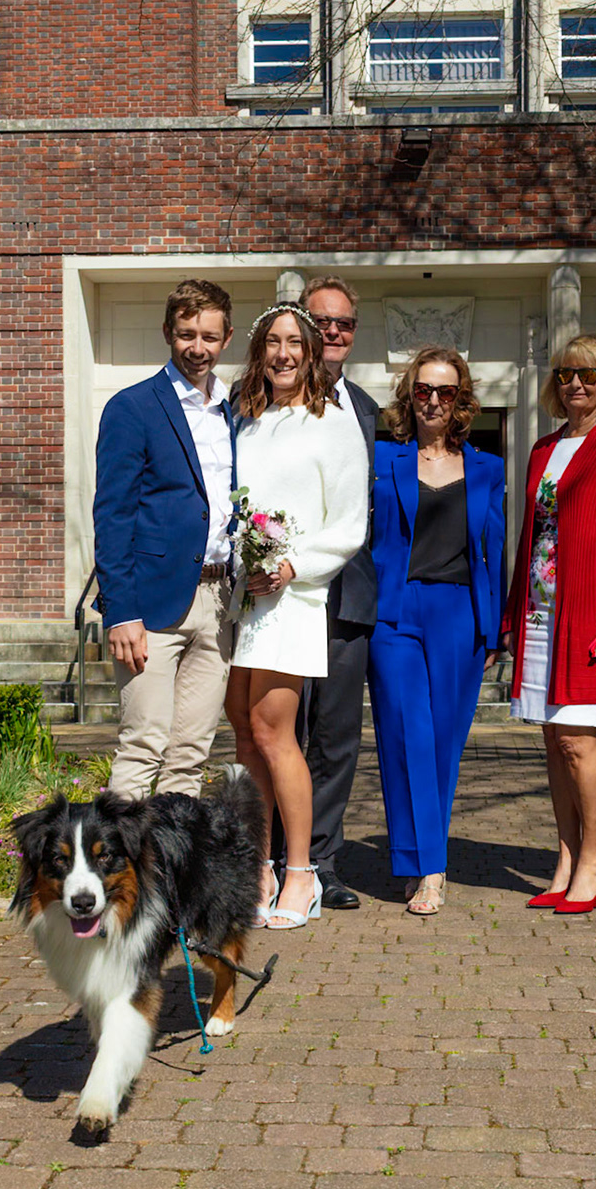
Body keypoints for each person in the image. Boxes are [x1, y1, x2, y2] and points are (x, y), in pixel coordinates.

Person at [226, 304, 370, 929]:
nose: (283, 354)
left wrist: (292, 567)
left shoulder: (333, 423)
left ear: (311, 353)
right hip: (244, 598)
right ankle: (258, 865)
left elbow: (350, 525)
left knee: (275, 732)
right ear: (259, 352)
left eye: (294, 343)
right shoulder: (248, 421)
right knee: (243, 729)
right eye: (272, 343)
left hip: (294, 597)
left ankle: (303, 873)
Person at [502, 333, 596, 915]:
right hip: (542, 616)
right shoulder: (543, 449)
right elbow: (530, 538)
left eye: (588, 376)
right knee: (552, 740)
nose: (576, 385)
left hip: (589, 619)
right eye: (566, 374)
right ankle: (564, 859)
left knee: (577, 740)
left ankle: (593, 859)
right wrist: (515, 615)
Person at [366, 346, 505, 916]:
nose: (433, 401)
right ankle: (430, 867)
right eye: (423, 389)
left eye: (445, 392)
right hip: (395, 613)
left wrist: (493, 631)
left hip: (459, 615)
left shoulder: (488, 468)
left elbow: (494, 549)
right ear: (410, 395)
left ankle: (419, 856)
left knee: (444, 743)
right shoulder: (383, 459)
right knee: (404, 735)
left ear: (461, 401)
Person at [92, 279, 237, 800]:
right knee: (142, 746)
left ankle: (168, 879)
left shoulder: (234, 411)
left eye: (209, 336)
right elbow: (112, 515)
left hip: (220, 602)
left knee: (190, 757)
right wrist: (120, 611)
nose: (198, 348)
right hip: (151, 606)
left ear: (227, 338)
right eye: (186, 334)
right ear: (167, 333)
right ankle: (111, 883)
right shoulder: (132, 408)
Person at [291, 275, 378, 912]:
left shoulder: (372, 412)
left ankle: (323, 862)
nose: (333, 331)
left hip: (350, 600)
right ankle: (277, 859)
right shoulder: (269, 403)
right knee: (282, 732)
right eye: (321, 321)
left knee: (337, 738)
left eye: (343, 322)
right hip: (286, 598)